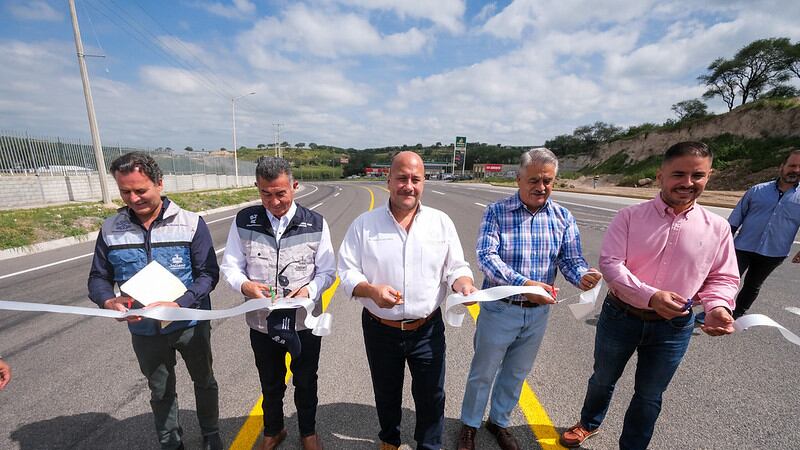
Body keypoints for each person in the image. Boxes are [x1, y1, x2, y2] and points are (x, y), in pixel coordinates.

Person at [559, 142, 740, 449]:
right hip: (621, 315)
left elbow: (722, 277)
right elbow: (611, 264)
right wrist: (651, 296)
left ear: (709, 176)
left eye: (697, 175)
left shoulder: (718, 228)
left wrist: (717, 307)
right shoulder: (629, 217)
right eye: (678, 174)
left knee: (650, 394)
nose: (687, 183)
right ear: (660, 176)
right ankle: (589, 422)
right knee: (603, 378)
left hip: (674, 327)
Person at [457, 148, 602, 450]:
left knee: (516, 372)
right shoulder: (497, 212)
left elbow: (570, 259)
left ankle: (498, 422)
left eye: (548, 181)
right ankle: (469, 425)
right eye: (534, 180)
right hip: (500, 309)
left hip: (537, 314)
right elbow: (486, 257)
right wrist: (523, 285)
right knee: (483, 372)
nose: (541, 187)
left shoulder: (562, 217)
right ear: (519, 179)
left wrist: (583, 276)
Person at [338, 151, 477, 450]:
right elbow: (347, 271)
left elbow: (456, 266)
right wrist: (371, 290)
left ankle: (429, 445)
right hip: (380, 328)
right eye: (402, 178)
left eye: (416, 179)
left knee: (431, 395)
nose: (408, 186)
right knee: (386, 392)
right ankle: (389, 439)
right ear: (388, 180)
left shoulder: (440, 222)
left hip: (427, 328)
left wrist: (463, 284)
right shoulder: (364, 225)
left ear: (424, 182)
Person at [88, 152, 222, 450]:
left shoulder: (190, 223)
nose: (133, 198)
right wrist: (109, 302)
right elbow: (98, 278)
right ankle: (171, 442)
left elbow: (208, 274)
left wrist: (182, 303)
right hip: (145, 330)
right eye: (125, 192)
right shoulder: (110, 230)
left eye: (140, 190)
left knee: (204, 380)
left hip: (190, 323)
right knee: (160, 390)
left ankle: (211, 434)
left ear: (159, 183)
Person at [221, 156, 335, 450]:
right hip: (262, 323)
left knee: (306, 381)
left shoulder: (315, 223)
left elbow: (327, 271)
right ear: (257, 188)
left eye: (281, 193)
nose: (274, 202)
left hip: (303, 324)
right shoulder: (245, 221)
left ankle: (308, 432)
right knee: (270, 382)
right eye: (266, 194)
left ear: (294, 186)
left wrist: (310, 290)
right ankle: (274, 430)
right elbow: (231, 266)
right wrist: (245, 285)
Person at [721, 149, 800, 319]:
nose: (796, 170)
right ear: (782, 166)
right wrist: (723, 242)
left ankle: (736, 315)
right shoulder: (757, 190)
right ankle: (714, 311)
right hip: (742, 246)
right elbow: (736, 217)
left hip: (774, 252)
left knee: (753, 285)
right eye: (792, 165)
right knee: (727, 280)